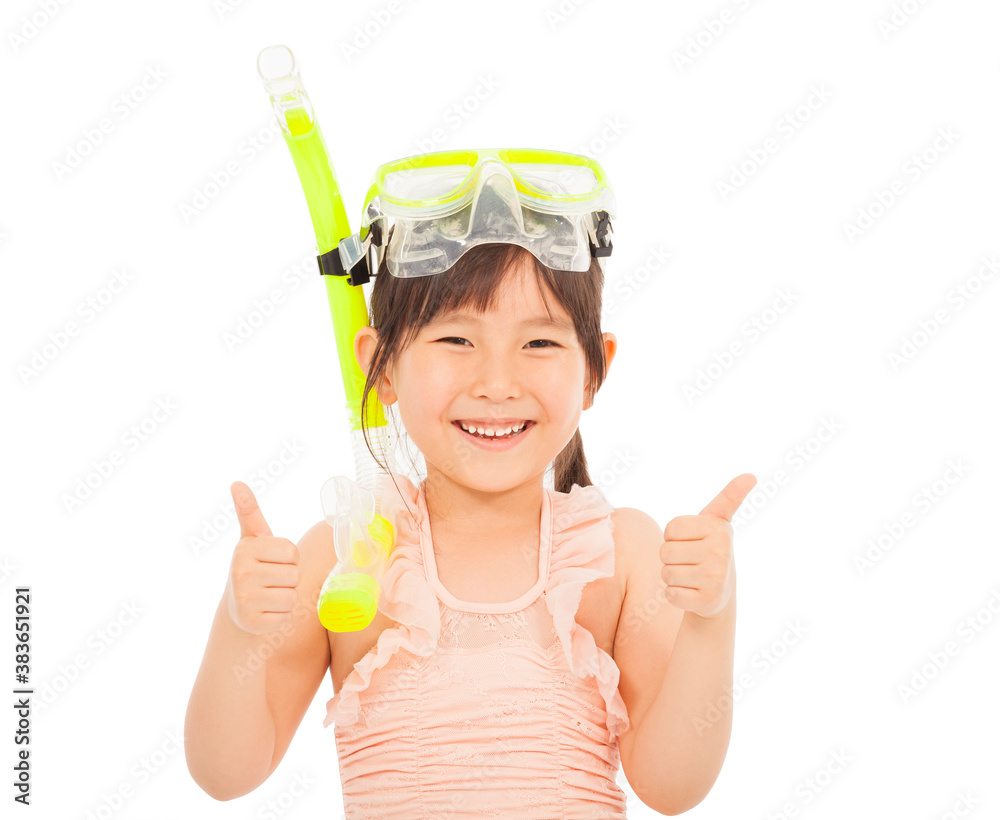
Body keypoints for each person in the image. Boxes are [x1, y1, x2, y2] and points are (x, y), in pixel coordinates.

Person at [185, 149, 756, 818]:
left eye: (538, 344)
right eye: (456, 340)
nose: (496, 382)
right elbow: (225, 772)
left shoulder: (619, 553)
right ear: (381, 366)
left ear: (594, 372)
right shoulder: (349, 558)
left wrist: (712, 621)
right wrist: (239, 626)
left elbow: (672, 784)